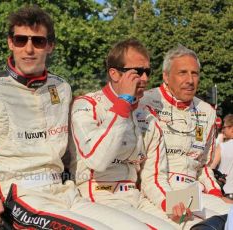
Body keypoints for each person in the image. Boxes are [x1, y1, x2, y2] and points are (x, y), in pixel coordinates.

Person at [0, 5, 148, 229]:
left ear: (50, 45)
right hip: (20, 197)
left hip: (67, 192)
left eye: (38, 41)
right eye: (21, 40)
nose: (29, 49)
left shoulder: (62, 87)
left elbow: (77, 152)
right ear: (10, 43)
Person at [68, 38, 188, 229]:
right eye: (138, 72)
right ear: (114, 74)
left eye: (147, 71)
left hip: (136, 196)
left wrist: (170, 204)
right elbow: (98, 160)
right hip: (98, 194)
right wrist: (123, 103)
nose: (145, 79)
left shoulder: (147, 116)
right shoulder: (87, 105)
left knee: (195, 224)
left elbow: (154, 177)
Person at [141, 44, 232, 227]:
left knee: (230, 218)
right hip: (154, 194)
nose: (190, 80)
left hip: (193, 194)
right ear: (166, 76)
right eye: (182, 73)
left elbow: (204, 166)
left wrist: (217, 195)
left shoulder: (206, 111)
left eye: (195, 73)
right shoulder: (144, 102)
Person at [211, 114, 233, 197]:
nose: (222, 130)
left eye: (224, 127)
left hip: (225, 192)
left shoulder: (222, 146)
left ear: (232, 128)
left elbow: (211, 169)